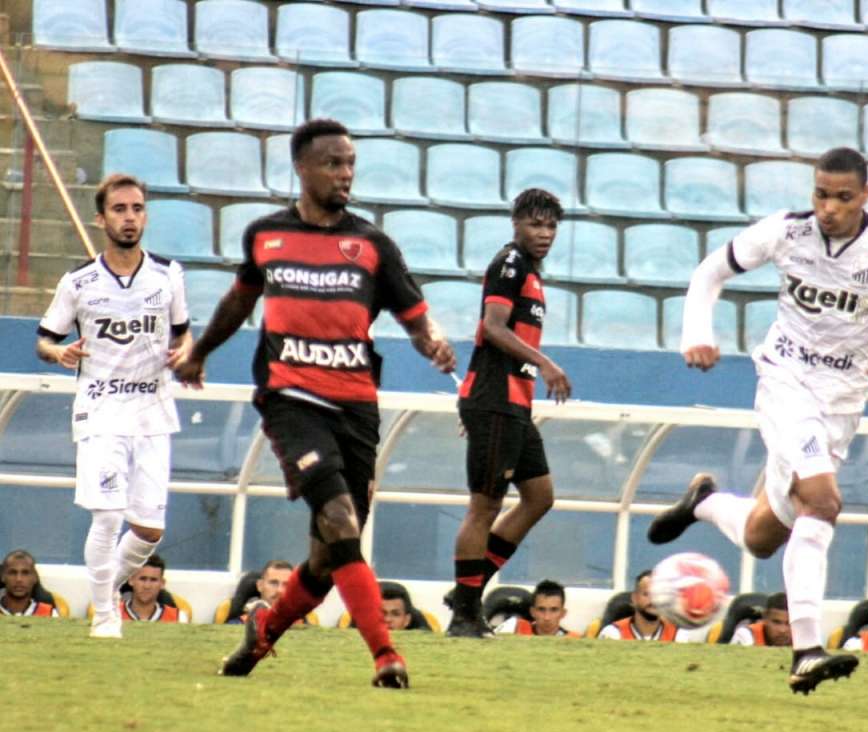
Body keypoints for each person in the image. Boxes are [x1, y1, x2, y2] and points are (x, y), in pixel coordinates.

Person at [647, 147, 868, 693]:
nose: (828, 208)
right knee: (824, 502)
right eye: (821, 194)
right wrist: (697, 331)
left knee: (765, 537)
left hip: (843, 400)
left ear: (866, 196)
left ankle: (705, 503)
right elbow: (710, 272)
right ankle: (806, 650)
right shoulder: (786, 231)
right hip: (785, 381)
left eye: (842, 197)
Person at [175, 118, 455, 688]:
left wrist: (435, 344)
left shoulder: (373, 245)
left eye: (350, 163)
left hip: (356, 407)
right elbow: (237, 302)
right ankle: (386, 657)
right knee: (339, 520)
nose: (345, 173)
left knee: (328, 560)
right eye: (333, 163)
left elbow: (416, 318)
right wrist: (200, 352)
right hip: (291, 400)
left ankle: (261, 635)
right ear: (301, 168)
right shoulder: (265, 235)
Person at [36, 173, 193, 640]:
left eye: (137, 208)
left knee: (148, 531)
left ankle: (101, 595)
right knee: (106, 515)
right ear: (101, 218)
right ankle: (106, 616)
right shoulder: (79, 281)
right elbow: (46, 338)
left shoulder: (169, 275)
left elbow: (183, 332)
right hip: (101, 409)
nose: (130, 217)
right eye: (120, 209)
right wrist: (59, 353)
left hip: (153, 411)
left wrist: (185, 351)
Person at [447, 189, 572, 638]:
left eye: (551, 226)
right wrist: (546, 363)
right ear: (516, 223)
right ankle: (464, 613)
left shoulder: (532, 274)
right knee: (484, 507)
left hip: (514, 401)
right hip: (495, 399)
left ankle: (468, 586)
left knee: (540, 496)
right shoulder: (510, 264)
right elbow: (492, 328)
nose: (544, 234)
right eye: (536, 224)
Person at [598, 570, 698, 642]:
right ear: (634, 598)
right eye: (647, 594)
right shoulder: (613, 634)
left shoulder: (678, 635)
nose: (653, 600)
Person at [227, 560, 318, 626]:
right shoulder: (238, 625)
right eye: (273, 583)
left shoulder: (304, 627)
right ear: (260, 586)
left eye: (287, 585)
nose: (280, 590)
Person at [495, 579, 579, 637]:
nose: (547, 617)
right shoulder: (514, 627)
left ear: (563, 613)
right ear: (532, 612)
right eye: (541, 609)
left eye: (554, 610)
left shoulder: (573, 639)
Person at [120, 554, 188, 623]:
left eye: (153, 580)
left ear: (162, 583)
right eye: (142, 579)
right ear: (131, 580)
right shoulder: (113, 613)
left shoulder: (178, 618)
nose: (147, 586)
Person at [0, 550, 60, 617]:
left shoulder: (50, 614)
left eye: (25, 573)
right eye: (13, 573)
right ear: (3, 577)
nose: (19, 579)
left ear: (35, 578)